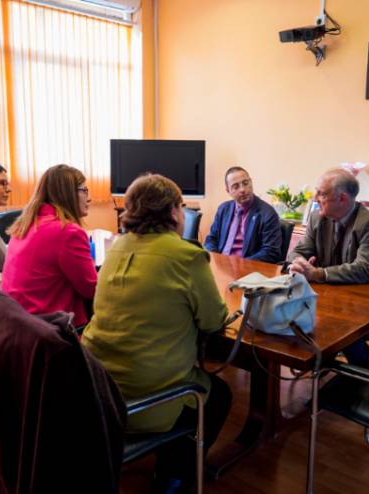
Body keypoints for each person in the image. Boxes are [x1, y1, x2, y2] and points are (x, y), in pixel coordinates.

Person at [82, 173, 231, 493]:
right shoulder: (187, 255)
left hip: (97, 387)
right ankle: (174, 478)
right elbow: (213, 321)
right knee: (219, 396)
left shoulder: (118, 246)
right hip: (144, 396)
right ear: (174, 212)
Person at [287, 168, 369, 363]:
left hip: (361, 297)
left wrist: (318, 274)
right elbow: (298, 251)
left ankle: (365, 364)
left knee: (337, 330)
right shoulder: (317, 217)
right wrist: (298, 264)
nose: (315, 198)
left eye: (322, 194)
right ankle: (321, 364)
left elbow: (363, 268)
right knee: (291, 319)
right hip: (328, 294)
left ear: (342, 198)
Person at [1, 164, 97, 328]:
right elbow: (92, 290)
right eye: (84, 190)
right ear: (68, 193)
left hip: (17, 324)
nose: (89, 198)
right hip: (49, 331)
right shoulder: (67, 232)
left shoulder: (25, 224)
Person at [204, 166, 282, 263]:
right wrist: (216, 259)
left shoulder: (268, 213)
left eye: (245, 183)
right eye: (236, 186)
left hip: (248, 267)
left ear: (251, 182)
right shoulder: (224, 209)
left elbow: (271, 252)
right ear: (228, 191)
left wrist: (242, 264)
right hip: (221, 264)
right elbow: (211, 239)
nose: (242, 189)